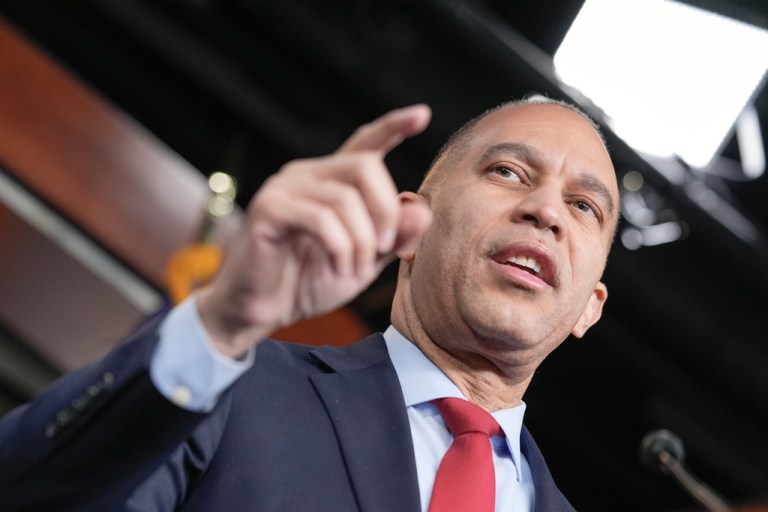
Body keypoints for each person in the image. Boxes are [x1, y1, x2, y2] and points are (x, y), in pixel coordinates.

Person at [0, 97, 619, 511]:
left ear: (589, 307)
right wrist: (219, 327)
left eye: (584, 207)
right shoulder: (234, 395)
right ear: (412, 225)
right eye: (509, 171)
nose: (545, 212)